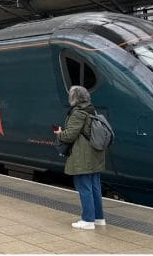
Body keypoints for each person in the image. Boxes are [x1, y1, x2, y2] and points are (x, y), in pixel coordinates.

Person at [56, 85, 107, 229]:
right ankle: (98, 218)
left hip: (83, 156)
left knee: (84, 187)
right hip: (95, 154)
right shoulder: (92, 110)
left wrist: (60, 134)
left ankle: (88, 220)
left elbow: (70, 135)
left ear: (74, 98)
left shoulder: (78, 113)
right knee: (95, 186)